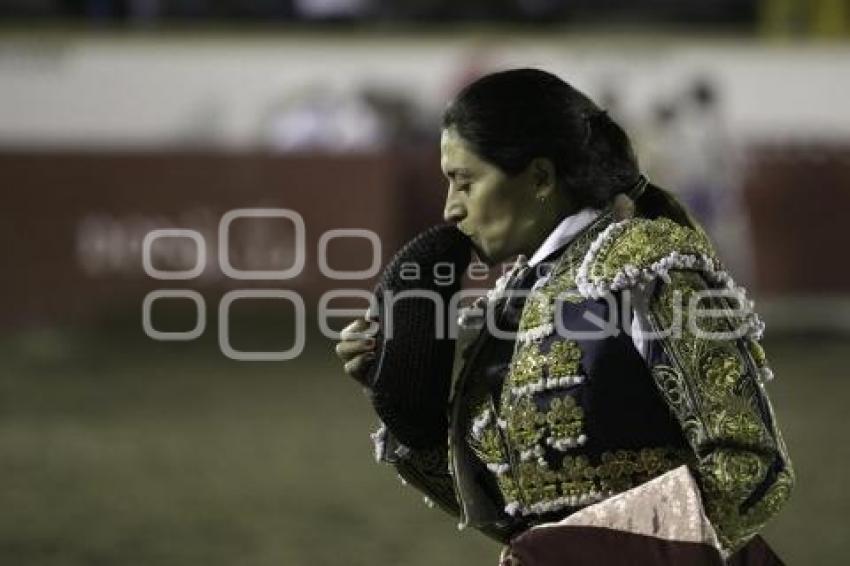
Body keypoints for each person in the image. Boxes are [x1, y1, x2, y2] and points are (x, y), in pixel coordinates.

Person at [336, 68, 793, 564]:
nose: (451, 209)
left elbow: (750, 470)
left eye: (465, 182)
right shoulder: (507, 309)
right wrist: (402, 403)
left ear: (539, 178)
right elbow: (516, 514)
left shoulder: (641, 266)